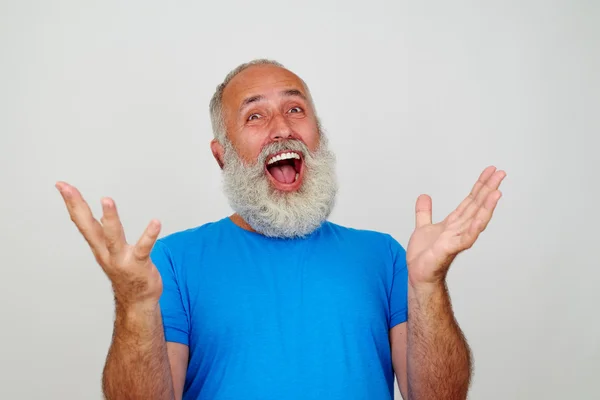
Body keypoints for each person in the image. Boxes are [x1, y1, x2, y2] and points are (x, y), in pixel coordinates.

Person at [56, 59, 506, 400]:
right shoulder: (172, 262)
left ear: (318, 135)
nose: (281, 129)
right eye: (254, 116)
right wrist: (134, 305)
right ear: (222, 154)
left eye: (295, 109)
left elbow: (438, 397)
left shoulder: (385, 256)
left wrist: (428, 285)